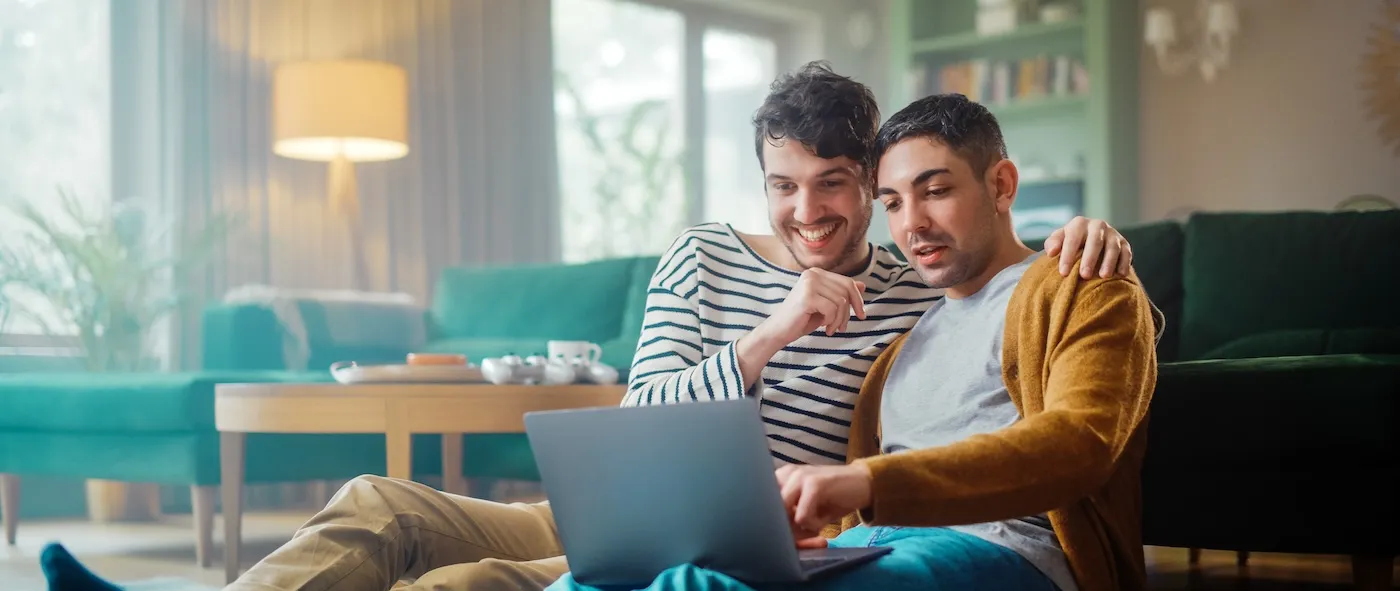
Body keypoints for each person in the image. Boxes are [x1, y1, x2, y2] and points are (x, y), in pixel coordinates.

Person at [36, 63, 1136, 591]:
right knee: (377, 504)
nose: (811, 212)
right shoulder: (702, 258)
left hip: (770, 533)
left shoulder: (911, 285)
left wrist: (1089, 236)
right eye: (783, 186)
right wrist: (761, 342)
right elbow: (644, 413)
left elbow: (1011, 286)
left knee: (461, 588)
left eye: (840, 186)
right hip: (636, 505)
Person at [548, 93, 1161, 591]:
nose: (912, 223)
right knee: (599, 583)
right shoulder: (905, 331)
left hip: (1000, 548)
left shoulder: (1079, 286)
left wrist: (865, 482)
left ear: (1002, 185)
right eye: (895, 201)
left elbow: (1081, 441)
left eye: (937, 190)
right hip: (859, 543)